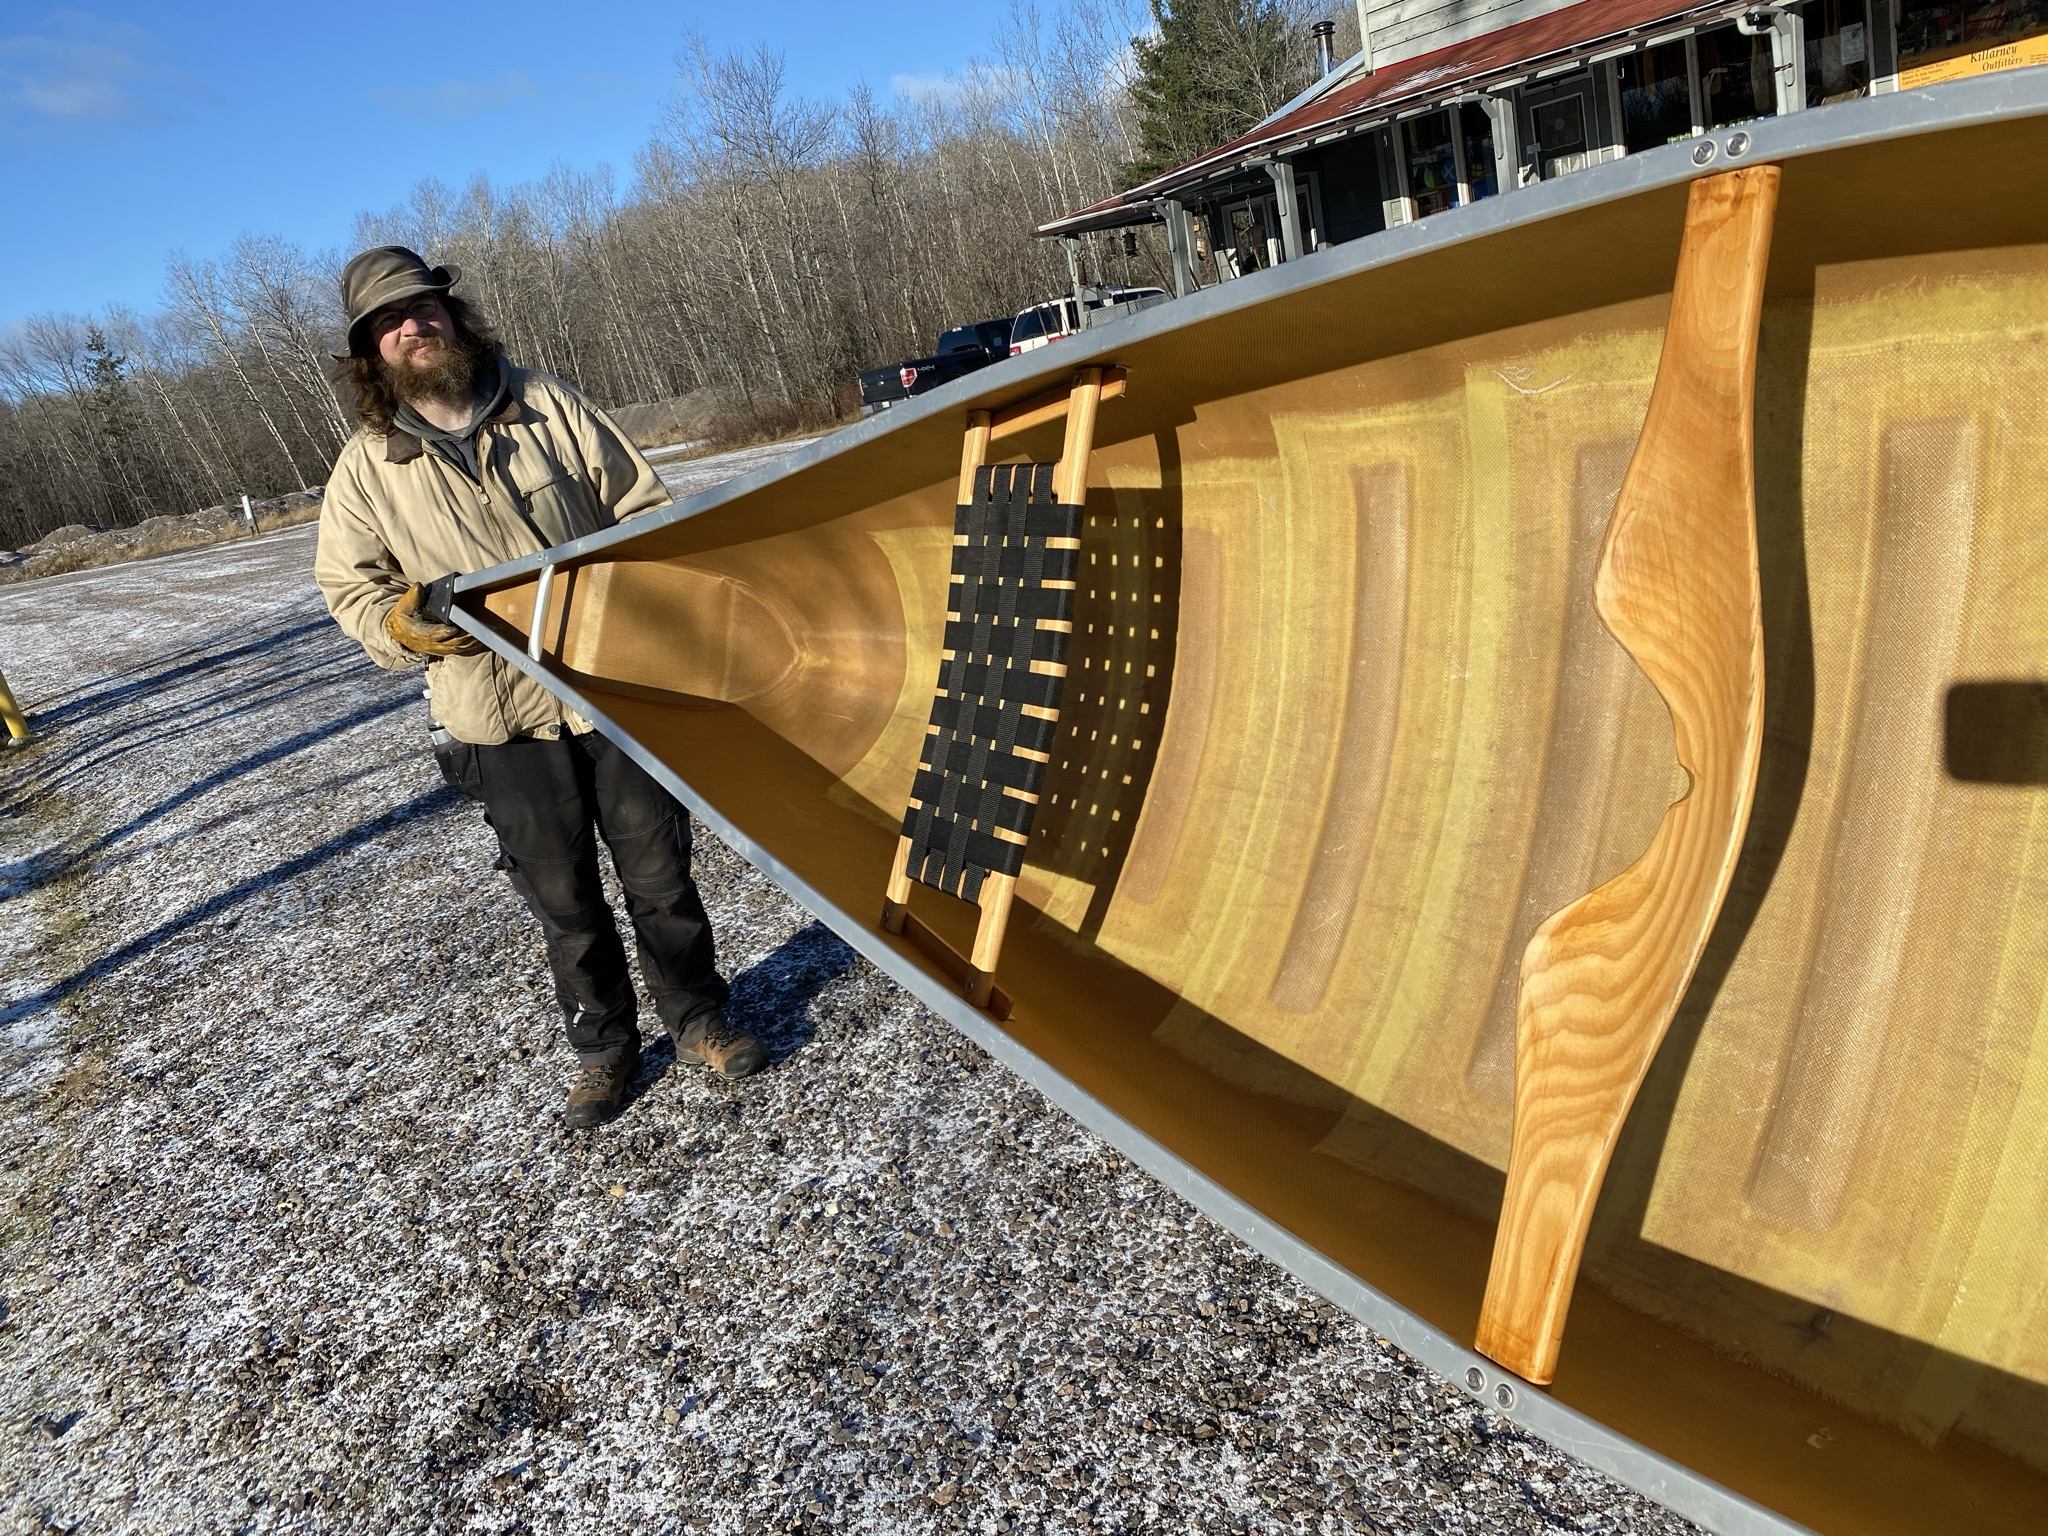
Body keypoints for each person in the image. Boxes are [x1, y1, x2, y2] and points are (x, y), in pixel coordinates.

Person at [314, 245, 766, 1130]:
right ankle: (604, 1053)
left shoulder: (548, 405)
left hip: (609, 692)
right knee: (564, 903)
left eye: (424, 308)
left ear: (453, 314)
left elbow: (644, 507)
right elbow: (351, 591)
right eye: (390, 322)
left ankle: (699, 1020)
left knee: (661, 878)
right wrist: (405, 627)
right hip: (496, 723)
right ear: (371, 352)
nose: (415, 327)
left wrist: (638, 596)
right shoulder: (368, 467)